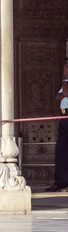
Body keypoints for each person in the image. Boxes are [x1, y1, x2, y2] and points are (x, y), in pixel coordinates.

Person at [46, 61, 68, 192]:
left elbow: (65, 93)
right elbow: (58, 96)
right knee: (61, 151)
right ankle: (60, 181)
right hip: (64, 116)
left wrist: (65, 79)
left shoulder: (66, 82)